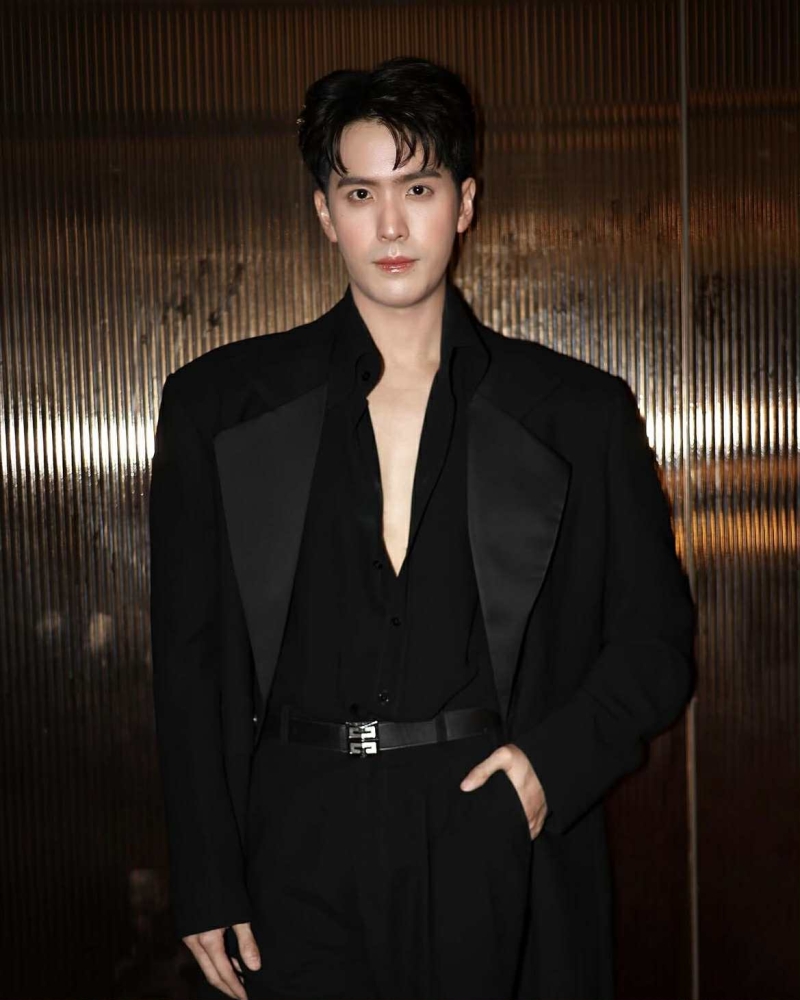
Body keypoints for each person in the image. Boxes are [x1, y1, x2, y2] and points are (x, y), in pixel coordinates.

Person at [149, 56, 694, 1000]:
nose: (391, 226)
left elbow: (656, 642)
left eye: (420, 188)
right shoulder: (219, 406)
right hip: (292, 846)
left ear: (465, 203)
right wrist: (204, 872)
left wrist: (551, 768)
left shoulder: (577, 413)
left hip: (496, 836)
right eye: (361, 193)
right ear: (326, 213)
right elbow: (188, 661)